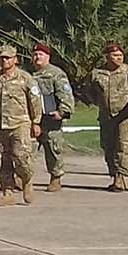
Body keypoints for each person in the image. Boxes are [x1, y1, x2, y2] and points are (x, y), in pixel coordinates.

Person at [0, 46, 44, 204]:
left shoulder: (25, 78)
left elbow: (35, 102)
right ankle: (7, 193)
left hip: (20, 124)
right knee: (2, 161)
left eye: (8, 58)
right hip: (0, 126)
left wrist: (36, 122)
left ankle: (27, 181)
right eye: (2, 58)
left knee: (21, 158)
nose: (5, 61)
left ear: (15, 59)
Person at [88, 41, 128, 192]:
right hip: (106, 116)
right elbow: (90, 92)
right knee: (108, 146)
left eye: (120, 55)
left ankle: (120, 176)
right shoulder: (97, 73)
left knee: (123, 145)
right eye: (114, 55)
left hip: (125, 116)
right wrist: (99, 103)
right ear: (107, 56)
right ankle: (113, 173)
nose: (118, 58)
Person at [30, 42, 75, 192]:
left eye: (40, 54)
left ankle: (55, 178)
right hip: (33, 119)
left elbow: (65, 94)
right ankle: (23, 178)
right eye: (35, 54)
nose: (37, 57)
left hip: (50, 120)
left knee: (53, 149)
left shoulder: (56, 74)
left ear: (47, 57)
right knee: (27, 149)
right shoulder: (30, 76)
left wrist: (62, 111)